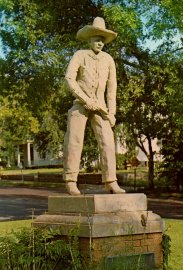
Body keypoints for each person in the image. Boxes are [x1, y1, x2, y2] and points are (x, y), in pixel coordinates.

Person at [63, 16, 125, 195]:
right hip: (80, 104)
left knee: (107, 142)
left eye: (102, 40)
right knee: (74, 140)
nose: (100, 43)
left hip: (101, 107)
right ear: (89, 39)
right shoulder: (80, 55)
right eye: (97, 39)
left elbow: (112, 89)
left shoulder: (108, 60)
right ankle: (70, 180)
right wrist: (84, 99)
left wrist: (112, 113)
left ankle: (111, 182)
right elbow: (69, 79)